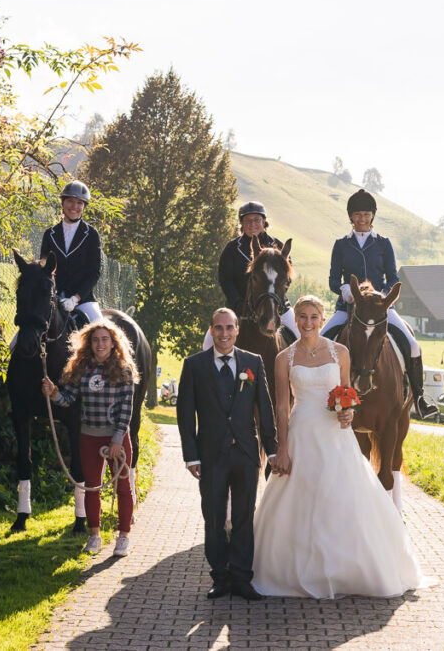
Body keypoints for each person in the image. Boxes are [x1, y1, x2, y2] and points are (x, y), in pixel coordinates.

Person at [252, 295, 425, 598]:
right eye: (302, 317)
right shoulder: (285, 358)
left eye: (313, 317)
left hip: (335, 434)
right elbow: (281, 406)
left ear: (319, 319)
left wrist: (349, 412)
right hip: (302, 430)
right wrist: (282, 448)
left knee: (411, 344)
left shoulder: (340, 353)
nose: (307, 323)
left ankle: (420, 394)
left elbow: (346, 393)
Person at [177, 308, 278, 601]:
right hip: (210, 455)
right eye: (218, 328)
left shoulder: (253, 363)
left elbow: (265, 410)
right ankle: (220, 577)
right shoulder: (194, 365)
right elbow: (185, 415)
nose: (224, 334)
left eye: (229, 328)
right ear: (212, 330)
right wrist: (191, 456)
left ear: (237, 330)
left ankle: (243, 578)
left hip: (246, 453)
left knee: (245, 516)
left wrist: (271, 450)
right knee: (214, 516)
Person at [320, 189, 439, 419]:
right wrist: (345, 290)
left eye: (366, 214)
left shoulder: (383, 244)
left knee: (413, 346)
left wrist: (380, 296)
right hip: (348, 307)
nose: (362, 219)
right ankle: (318, 393)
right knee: (322, 340)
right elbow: (334, 280)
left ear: (372, 216)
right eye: (357, 214)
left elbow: (393, 277)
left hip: (381, 308)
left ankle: (420, 397)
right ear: (351, 217)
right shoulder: (341, 244)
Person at [41, 320, 138, 557]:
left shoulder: (124, 370)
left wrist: (117, 439)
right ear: (89, 343)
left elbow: (127, 409)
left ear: (113, 343)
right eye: (95, 340)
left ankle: (123, 537)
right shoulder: (82, 368)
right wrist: (53, 392)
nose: (100, 344)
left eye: (105, 339)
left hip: (116, 438)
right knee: (92, 487)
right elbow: (67, 399)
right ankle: (94, 536)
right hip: (89, 436)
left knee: (123, 487)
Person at [203, 201, 298, 350]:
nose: (252, 224)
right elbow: (225, 280)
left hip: (276, 305)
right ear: (241, 223)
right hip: (240, 306)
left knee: (301, 335)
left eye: (257, 220)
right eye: (247, 220)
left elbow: (287, 278)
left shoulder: (278, 246)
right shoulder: (232, 248)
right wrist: (238, 303)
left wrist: (276, 301)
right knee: (208, 343)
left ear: (264, 221)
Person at [40, 181, 103, 324]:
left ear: (84, 206)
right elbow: (45, 270)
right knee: (19, 340)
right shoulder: (50, 234)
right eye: (70, 201)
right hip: (54, 299)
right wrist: (54, 295)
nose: (74, 207)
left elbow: (94, 273)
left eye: (79, 203)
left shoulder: (92, 234)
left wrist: (75, 298)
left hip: (83, 300)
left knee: (102, 333)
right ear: (62, 203)